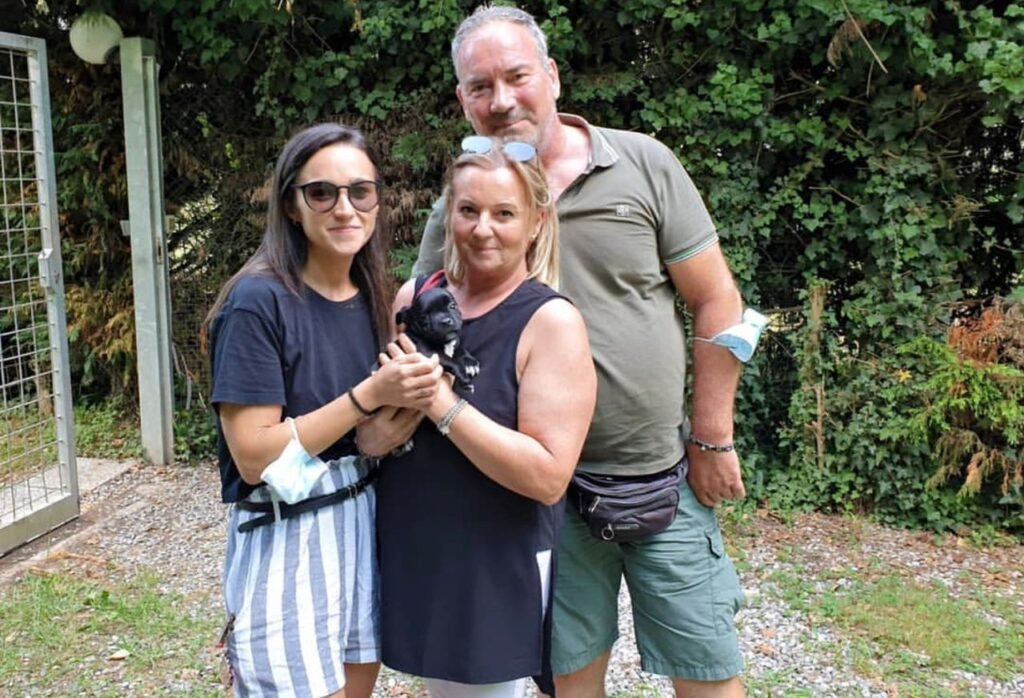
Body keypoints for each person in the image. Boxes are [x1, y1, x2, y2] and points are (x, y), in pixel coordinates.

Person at [410, 6, 749, 697]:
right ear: (463, 101)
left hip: (661, 475)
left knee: (710, 674)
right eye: (481, 87)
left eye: (517, 77)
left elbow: (717, 299)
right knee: (569, 681)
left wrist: (713, 437)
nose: (502, 100)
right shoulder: (464, 204)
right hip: (535, 495)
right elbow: (422, 313)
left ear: (553, 77)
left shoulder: (643, 164)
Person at [205, 123, 442, 698]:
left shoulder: (372, 294)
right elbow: (255, 455)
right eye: (321, 193)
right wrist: (369, 397)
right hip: (288, 532)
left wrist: (379, 430)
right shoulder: (257, 302)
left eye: (360, 191)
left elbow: (360, 434)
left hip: (360, 519)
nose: (344, 208)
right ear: (291, 205)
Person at [373, 136, 597, 697]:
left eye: (504, 214)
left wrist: (442, 404)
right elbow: (373, 433)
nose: (482, 229)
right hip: (417, 547)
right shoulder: (414, 297)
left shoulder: (551, 322)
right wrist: (377, 426)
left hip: (492, 563)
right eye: (469, 210)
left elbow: (548, 476)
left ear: (537, 222)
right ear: (449, 214)